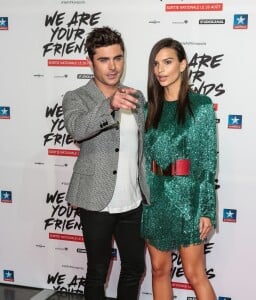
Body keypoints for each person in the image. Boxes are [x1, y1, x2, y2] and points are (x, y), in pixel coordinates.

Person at [62, 26, 149, 300]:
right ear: (90, 61)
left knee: (134, 267)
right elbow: (77, 129)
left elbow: (142, 148)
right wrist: (108, 105)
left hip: (133, 202)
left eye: (118, 58)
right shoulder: (76, 97)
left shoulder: (136, 97)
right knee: (97, 272)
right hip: (95, 201)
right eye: (104, 59)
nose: (113, 67)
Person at [141, 37, 217, 300]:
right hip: (155, 197)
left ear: (183, 65)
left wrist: (206, 209)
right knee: (159, 270)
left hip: (188, 199)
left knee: (195, 274)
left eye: (168, 62)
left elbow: (207, 161)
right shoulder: (147, 108)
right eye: (156, 64)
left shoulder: (201, 106)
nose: (160, 69)